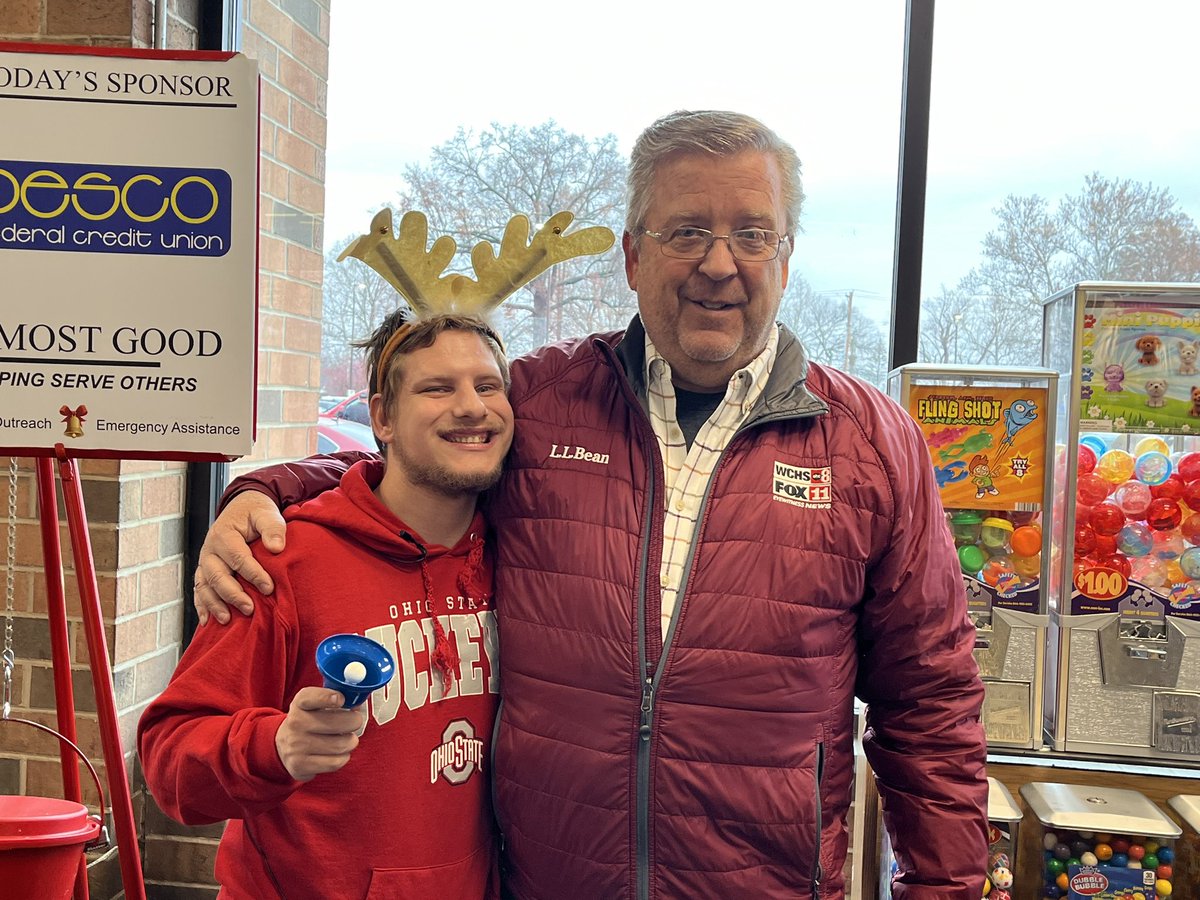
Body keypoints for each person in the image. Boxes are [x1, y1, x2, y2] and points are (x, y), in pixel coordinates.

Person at [195, 110, 989, 898]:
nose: (720, 263)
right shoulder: (544, 402)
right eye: (686, 232)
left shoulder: (871, 443)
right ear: (633, 256)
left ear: (785, 256)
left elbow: (930, 701)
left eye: (752, 233)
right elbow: (413, 454)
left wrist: (944, 889)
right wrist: (265, 488)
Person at [139, 311, 513, 900]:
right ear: (383, 417)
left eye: (488, 386)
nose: (472, 407)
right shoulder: (286, 561)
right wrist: (275, 747)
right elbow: (168, 759)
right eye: (437, 388)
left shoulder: (521, 557)